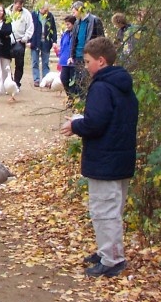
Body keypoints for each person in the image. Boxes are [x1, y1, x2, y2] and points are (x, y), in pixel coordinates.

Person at [60, 36, 139, 278]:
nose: (85, 66)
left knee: (105, 210)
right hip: (120, 158)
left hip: (106, 160)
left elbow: (96, 123)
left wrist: (76, 125)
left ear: (101, 61)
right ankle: (107, 251)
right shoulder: (122, 86)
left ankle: (113, 259)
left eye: (88, 61)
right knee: (112, 208)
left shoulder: (102, 87)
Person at [68, 1, 105, 98]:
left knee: (86, 80)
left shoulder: (95, 20)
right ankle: (80, 102)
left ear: (80, 10)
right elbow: (74, 40)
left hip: (90, 56)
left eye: (74, 12)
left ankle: (86, 102)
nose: (73, 14)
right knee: (78, 81)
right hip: (78, 56)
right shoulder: (77, 22)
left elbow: (101, 39)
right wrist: (71, 55)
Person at [9, 0, 34, 88]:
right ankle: (9, 81)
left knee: (19, 64)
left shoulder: (26, 13)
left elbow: (30, 27)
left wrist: (24, 38)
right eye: (18, 5)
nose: (19, 8)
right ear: (14, 4)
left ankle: (17, 82)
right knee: (6, 62)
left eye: (21, 6)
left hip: (20, 41)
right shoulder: (7, 11)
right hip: (8, 40)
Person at [30, 2, 57, 86]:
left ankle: (46, 80)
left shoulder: (50, 16)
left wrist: (54, 41)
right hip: (35, 41)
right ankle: (36, 79)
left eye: (46, 10)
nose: (45, 11)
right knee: (35, 61)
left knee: (45, 62)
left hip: (46, 41)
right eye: (44, 9)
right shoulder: (33, 15)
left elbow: (53, 29)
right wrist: (29, 41)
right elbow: (29, 28)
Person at [58, 15, 77, 95]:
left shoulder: (76, 34)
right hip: (64, 61)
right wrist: (60, 55)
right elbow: (62, 46)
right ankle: (69, 96)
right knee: (64, 78)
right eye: (66, 24)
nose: (67, 26)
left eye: (68, 24)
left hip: (73, 61)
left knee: (73, 81)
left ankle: (72, 97)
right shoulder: (65, 34)